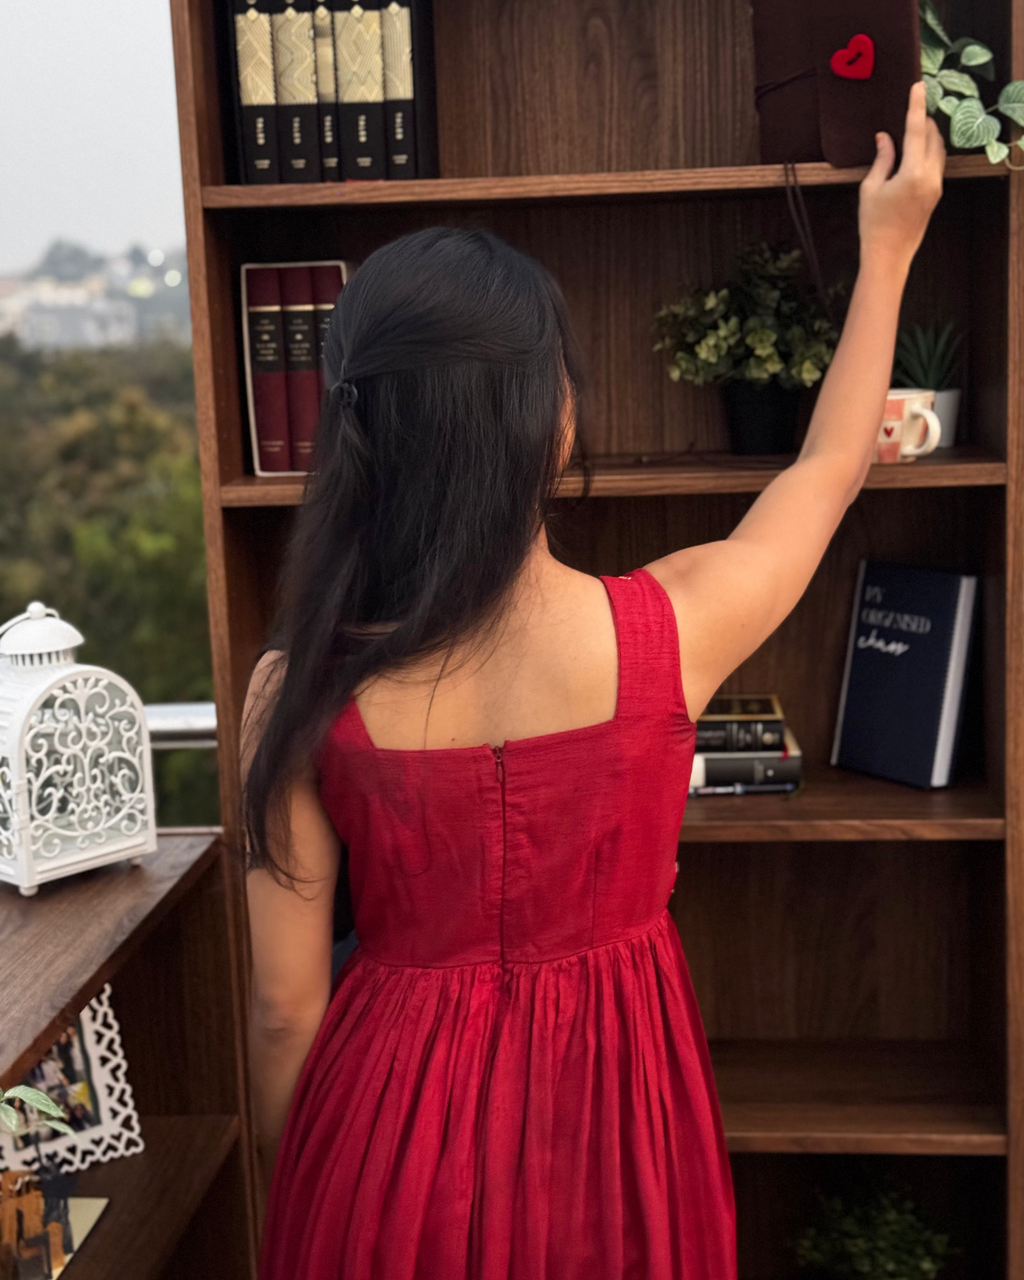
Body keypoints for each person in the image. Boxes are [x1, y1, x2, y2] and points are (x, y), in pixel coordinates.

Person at [243, 85, 944, 1280]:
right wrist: (887, 250)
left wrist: (320, 1183)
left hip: (377, 1139)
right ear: (552, 423)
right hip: (619, 1121)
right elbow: (830, 466)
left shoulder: (294, 686)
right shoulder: (674, 624)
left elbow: (283, 1012)